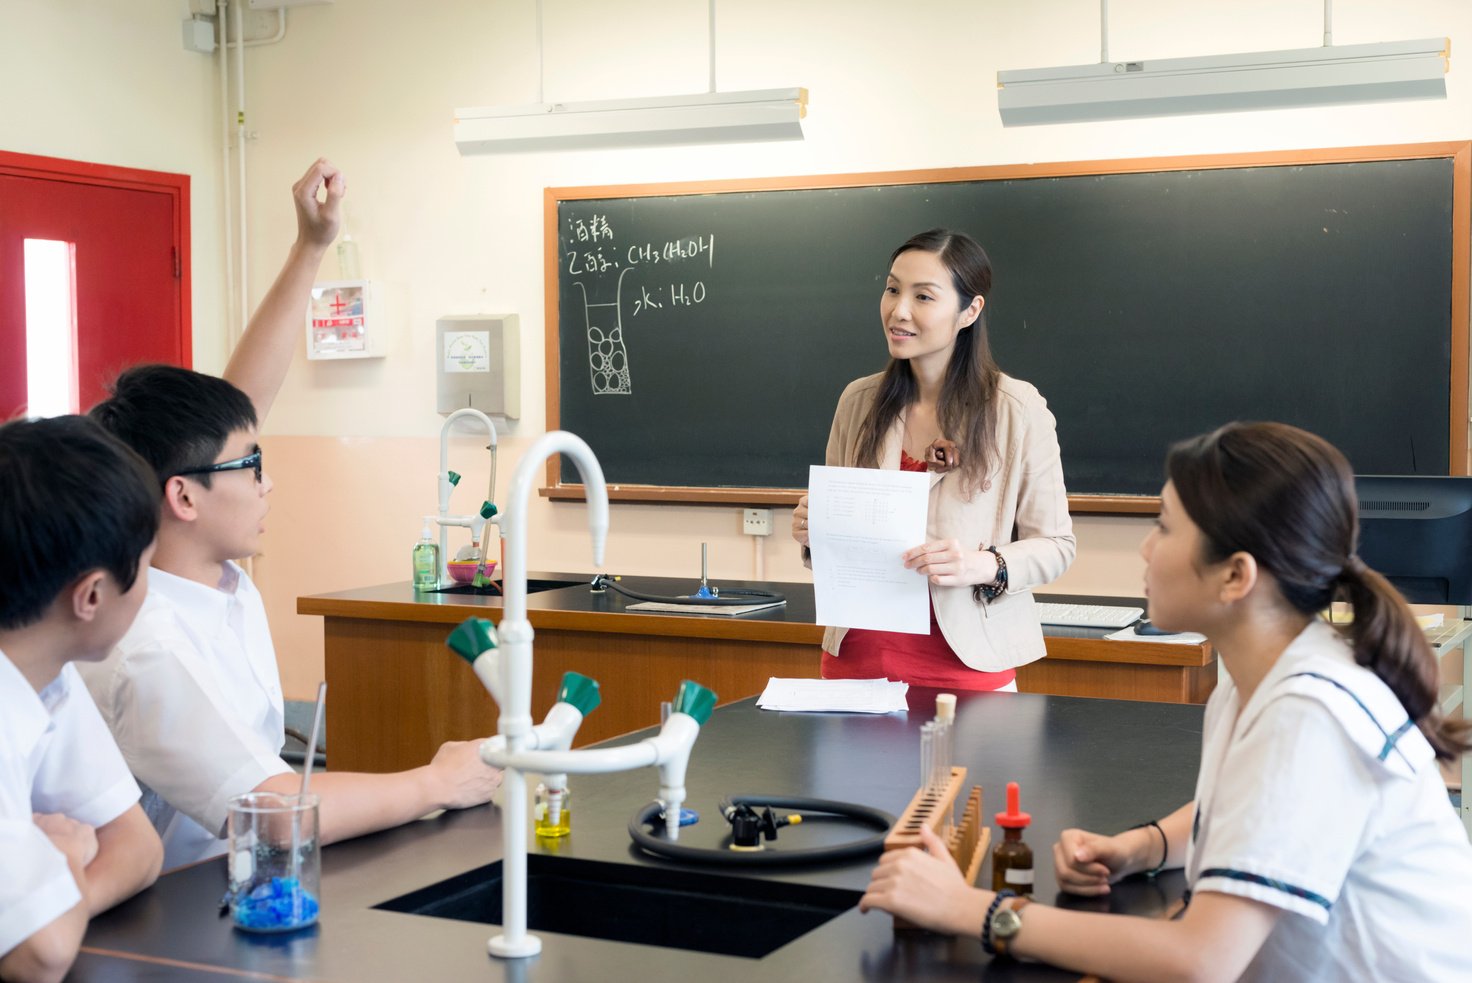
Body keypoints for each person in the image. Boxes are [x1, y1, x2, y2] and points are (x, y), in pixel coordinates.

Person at [859, 421, 1472, 981]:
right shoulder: (1268, 668)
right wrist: (1144, 845)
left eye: (1165, 527)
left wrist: (972, 909)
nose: (1147, 551)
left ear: (1236, 576)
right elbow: (1250, 811)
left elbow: (1199, 962)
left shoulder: (1309, 713)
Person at [80, 158, 502, 871]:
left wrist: (311, 246)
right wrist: (436, 781)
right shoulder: (144, 643)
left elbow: (235, 414)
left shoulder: (205, 569)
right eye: (253, 468)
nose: (268, 485)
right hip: (166, 922)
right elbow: (273, 810)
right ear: (182, 498)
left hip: (233, 880)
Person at [792, 229, 1075, 691]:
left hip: (967, 669)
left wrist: (982, 564)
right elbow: (840, 549)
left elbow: (1057, 545)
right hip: (856, 667)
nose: (898, 310)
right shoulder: (858, 402)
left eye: (923, 296)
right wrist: (814, 530)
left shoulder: (1016, 409)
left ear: (970, 310)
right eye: (892, 289)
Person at [0, 416, 165, 983]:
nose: (150, 590)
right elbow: (40, 957)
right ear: (92, 594)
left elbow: (137, 848)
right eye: (147, 569)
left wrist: (53, 904)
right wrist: (67, 858)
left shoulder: (46, 672)